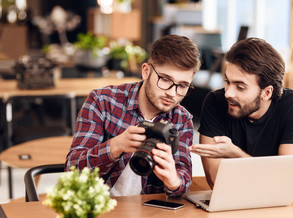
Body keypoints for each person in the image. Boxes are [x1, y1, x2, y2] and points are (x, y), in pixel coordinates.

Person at [66, 35, 201, 197]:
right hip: (97, 206)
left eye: (182, 85)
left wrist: (174, 181)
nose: (172, 93)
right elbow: (72, 171)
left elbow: (183, 176)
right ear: (146, 71)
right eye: (165, 80)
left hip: (150, 213)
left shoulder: (181, 119)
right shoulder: (102, 101)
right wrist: (115, 146)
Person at [189, 37, 293, 191]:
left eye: (240, 87)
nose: (228, 93)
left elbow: (286, 179)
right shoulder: (215, 102)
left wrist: (235, 154)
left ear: (267, 92)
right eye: (228, 82)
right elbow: (217, 182)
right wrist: (285, 180)